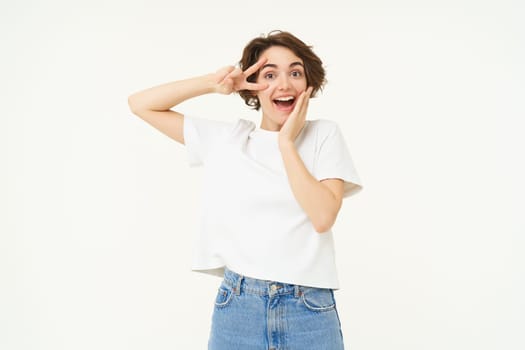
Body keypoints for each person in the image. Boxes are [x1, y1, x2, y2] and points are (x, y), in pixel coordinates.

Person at [128, 30, 362, 350]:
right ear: (254, 87)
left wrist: (286, 144)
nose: (284, 84)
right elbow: (141, 105)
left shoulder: (324, 135)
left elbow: (323, 216)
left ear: (309, 84)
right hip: (239, 308)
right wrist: (213, 84)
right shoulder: (228, 140)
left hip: (308, 310)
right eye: (269, 74)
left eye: (295, 72)